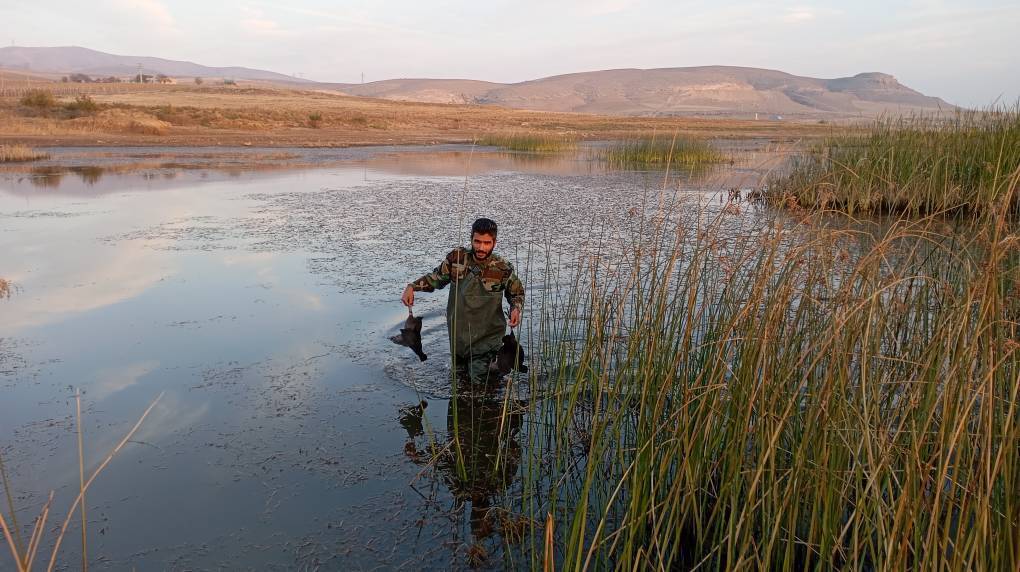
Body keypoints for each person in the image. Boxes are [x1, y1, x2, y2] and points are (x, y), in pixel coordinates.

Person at [401, 218, 524, 383]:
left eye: (486, 243)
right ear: (471, 238)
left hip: (488, 339)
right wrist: (412, 287)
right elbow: (435, 278)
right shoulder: (456, 259)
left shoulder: (503, 268)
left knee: (481, 381)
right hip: (458, 339)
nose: (481, 247)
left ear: (494, 242)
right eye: (477, 241)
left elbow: (516, 292)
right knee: (459, 380)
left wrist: (516, 308)